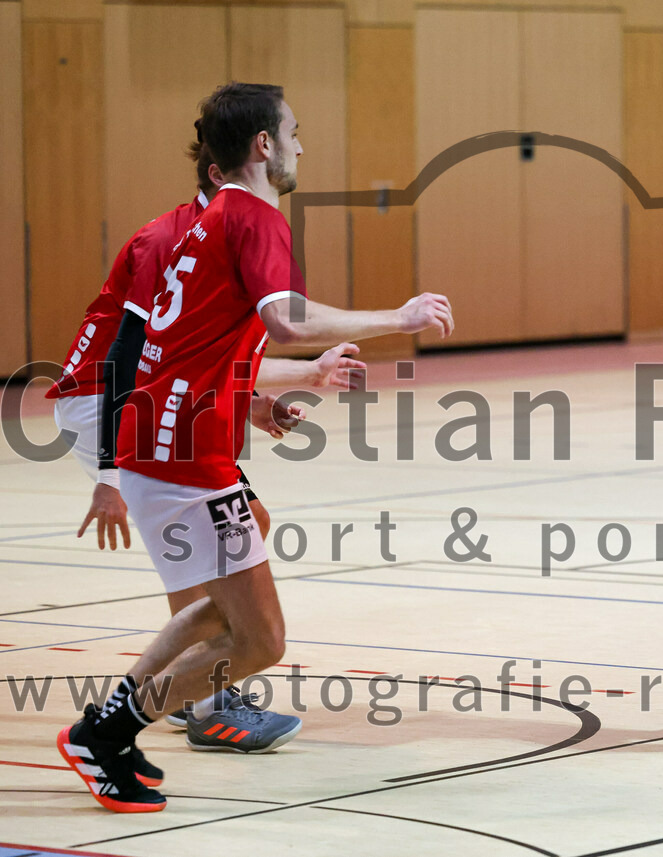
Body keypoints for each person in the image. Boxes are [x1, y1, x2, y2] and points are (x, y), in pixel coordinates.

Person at [58, 81, 453, 813]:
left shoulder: (201, 226)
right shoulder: (251, 215)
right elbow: (287, 319)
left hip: (171, 439)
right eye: (293, 132)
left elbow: (193, 350)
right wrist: (396, 315)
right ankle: (109, 729)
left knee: (228, 595)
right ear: (262, 145)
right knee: (260, 637)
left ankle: (109, 730)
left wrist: (256, 400)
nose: (302, 144)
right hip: (176, 450)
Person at [50, 142, 368, 782]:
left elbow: (205, 359)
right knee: (219, 573)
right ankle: (203, 706)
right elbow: (139, 361)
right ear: (225, 173)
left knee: (245, 532)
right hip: (113, 404)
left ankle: (152, 704)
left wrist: (265, 393)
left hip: (149, 405)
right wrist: (111, 473)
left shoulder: (207, 236)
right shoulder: (180, 237)